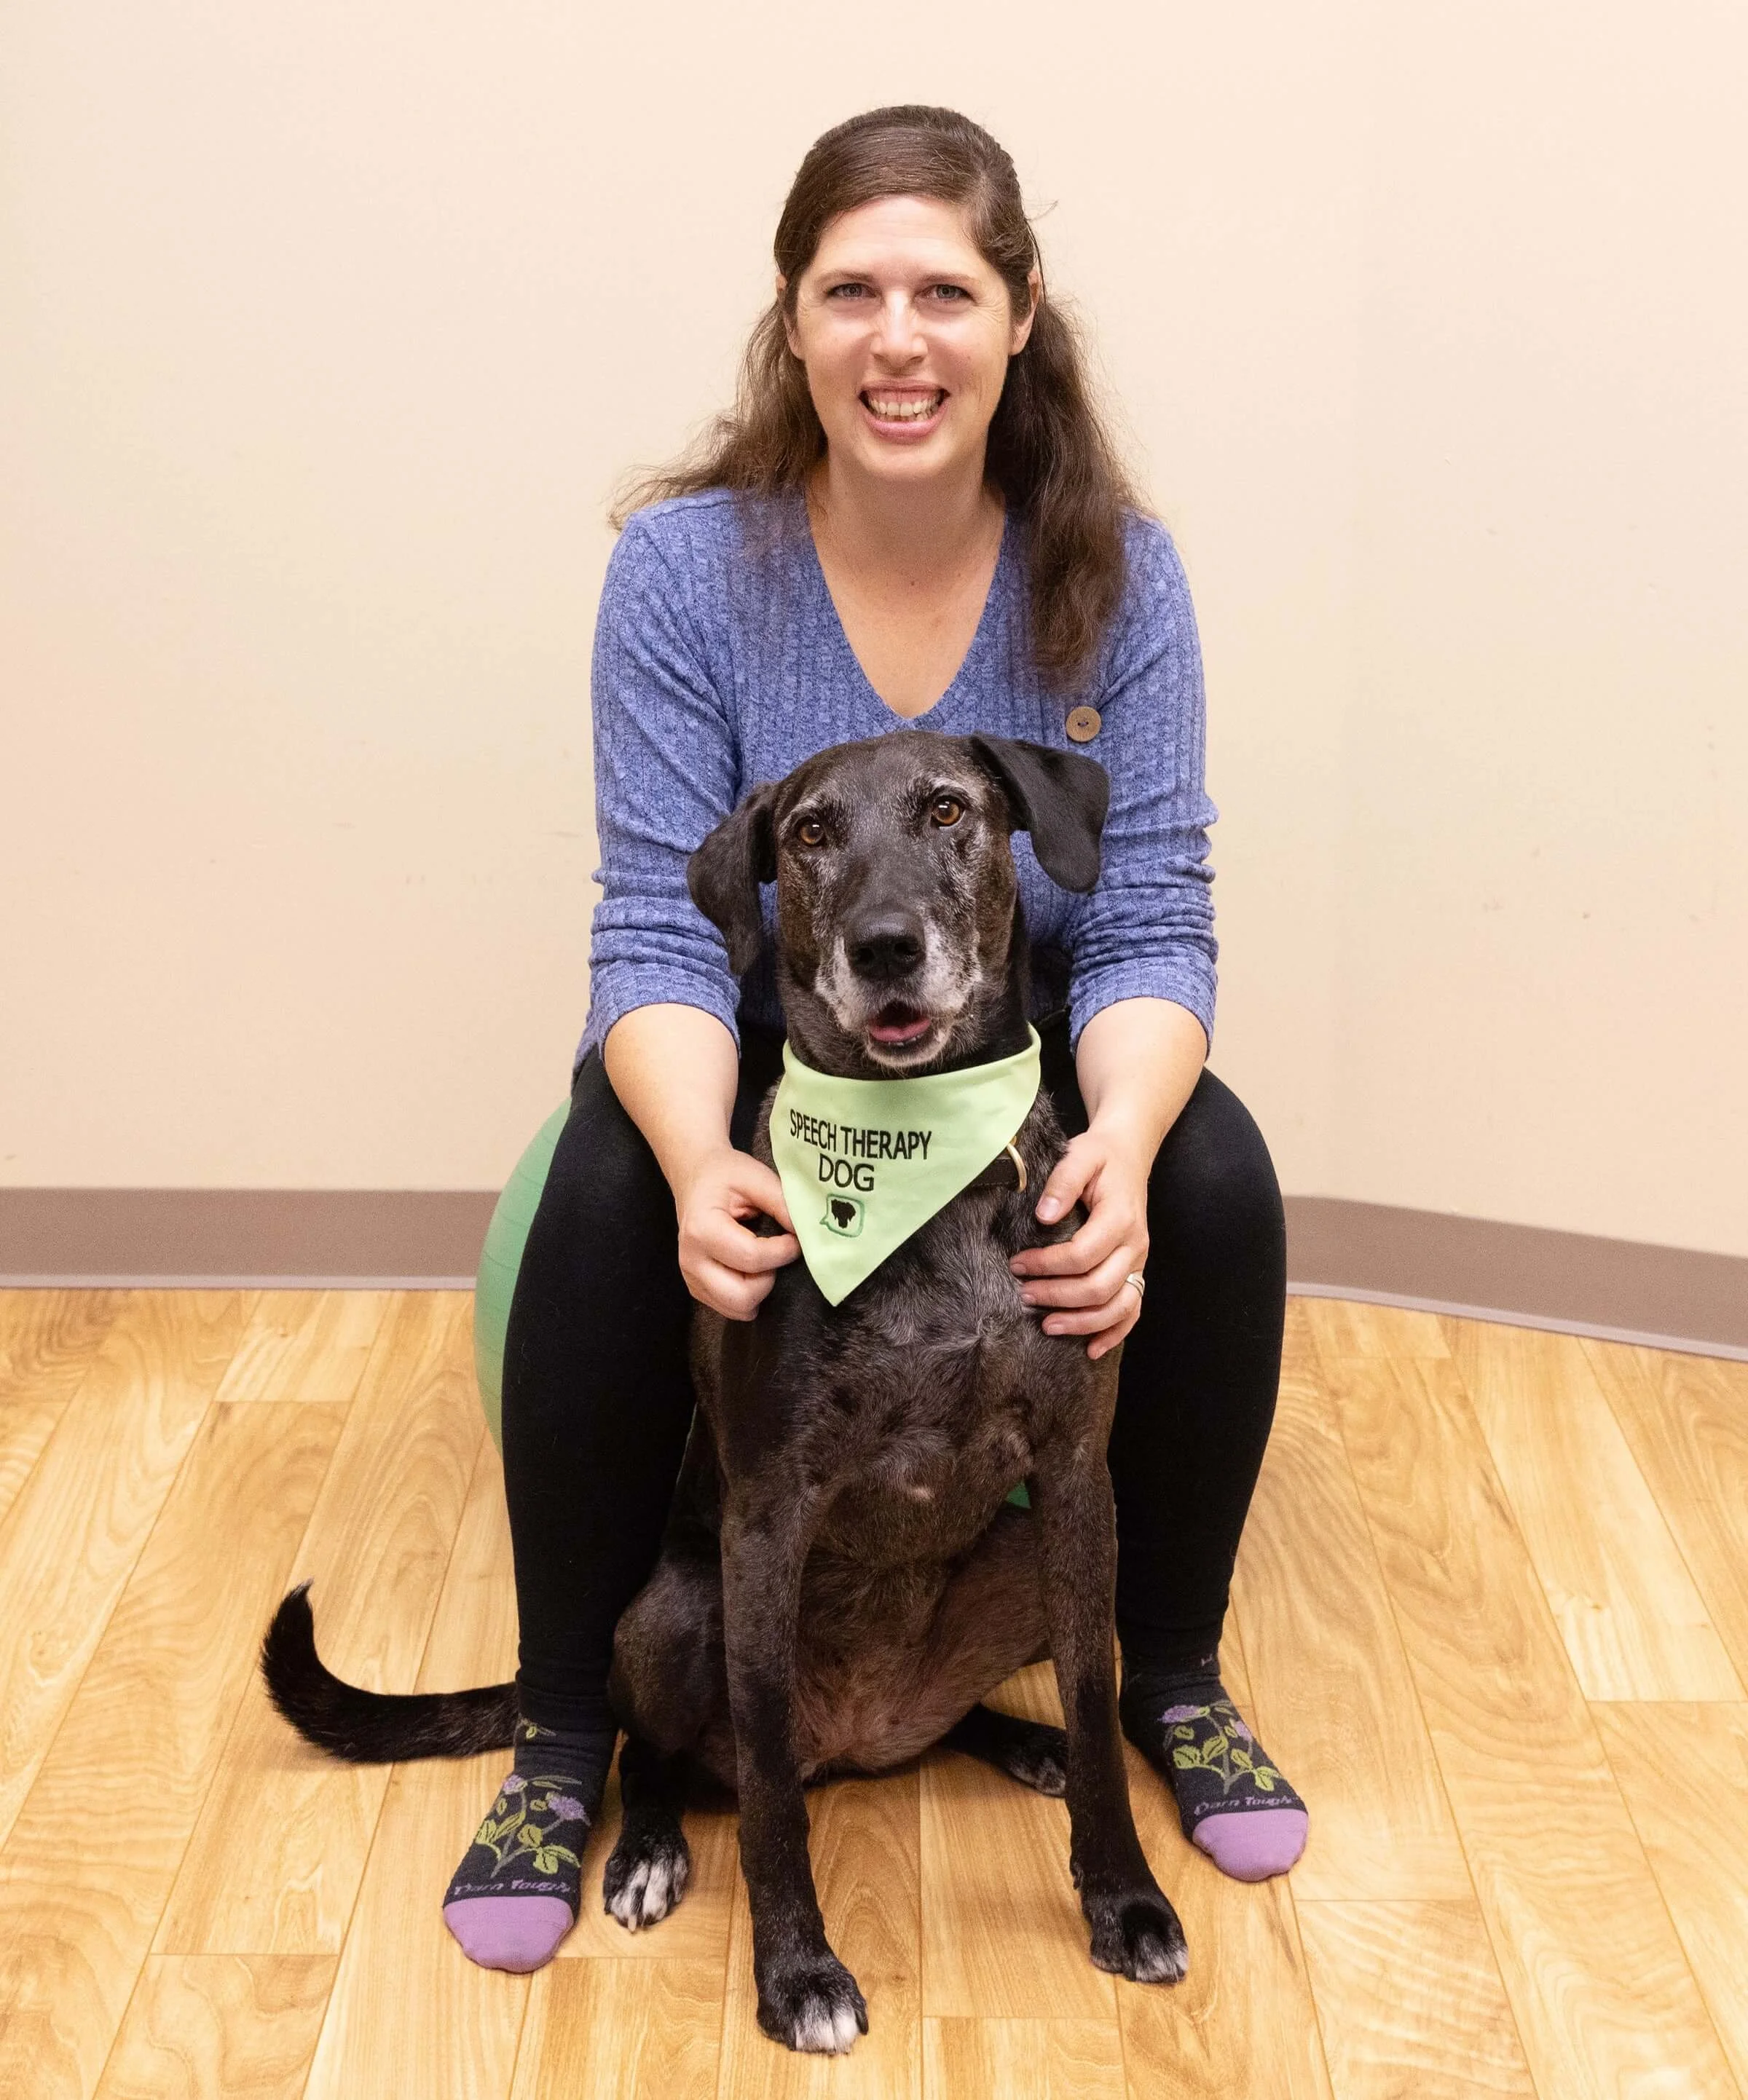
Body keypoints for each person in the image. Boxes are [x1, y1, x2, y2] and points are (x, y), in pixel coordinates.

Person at [441, 104, 1307, 1975]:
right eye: (854, 291)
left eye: (943, 289)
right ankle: (565, 1732)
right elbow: (646, 921)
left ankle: (1171, 1667)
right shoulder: (686, 572)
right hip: (764, 1048)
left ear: (1016, 318)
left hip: (1022, 1045)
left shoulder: (1116, 574)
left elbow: (1151, 910)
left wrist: (1127, 1151)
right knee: (600, 1185)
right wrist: (696, 1162)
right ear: (795, 320)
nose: (898, 336)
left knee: (1221, 1164)